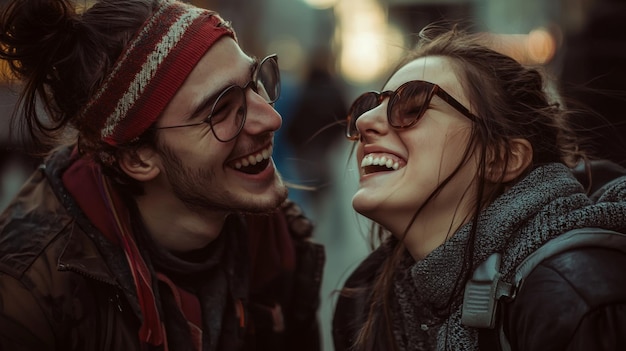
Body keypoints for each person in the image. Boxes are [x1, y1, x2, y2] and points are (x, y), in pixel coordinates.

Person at [0, 0, 325, 350]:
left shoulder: (277, 245)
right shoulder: (29, 295)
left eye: (254, 83)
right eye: (220, 111)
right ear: (138, 158)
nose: (272, 119)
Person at [332, 24, 626, 351]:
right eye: (368, 106)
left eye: (413, 107)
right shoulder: (363, 304)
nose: (363, 122)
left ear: (501, 159)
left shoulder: (575, 295)